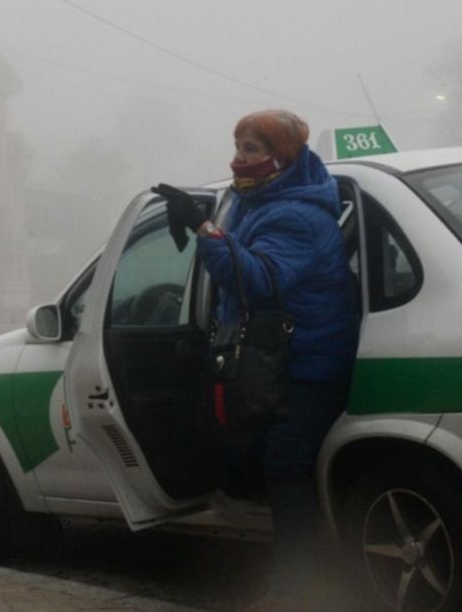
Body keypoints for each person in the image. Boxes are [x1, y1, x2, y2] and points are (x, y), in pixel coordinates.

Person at [154, 109, 359, 609]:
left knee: (288, 470)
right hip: (281, 361)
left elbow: (258, 279)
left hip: (308, 365)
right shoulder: (258, 202)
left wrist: (205, 229)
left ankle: (297, 591)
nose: (239, 158)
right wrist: (209, 227)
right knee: (259, 460)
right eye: (238, 145)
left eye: (252, 149)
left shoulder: (295, 215)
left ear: (281, 158)